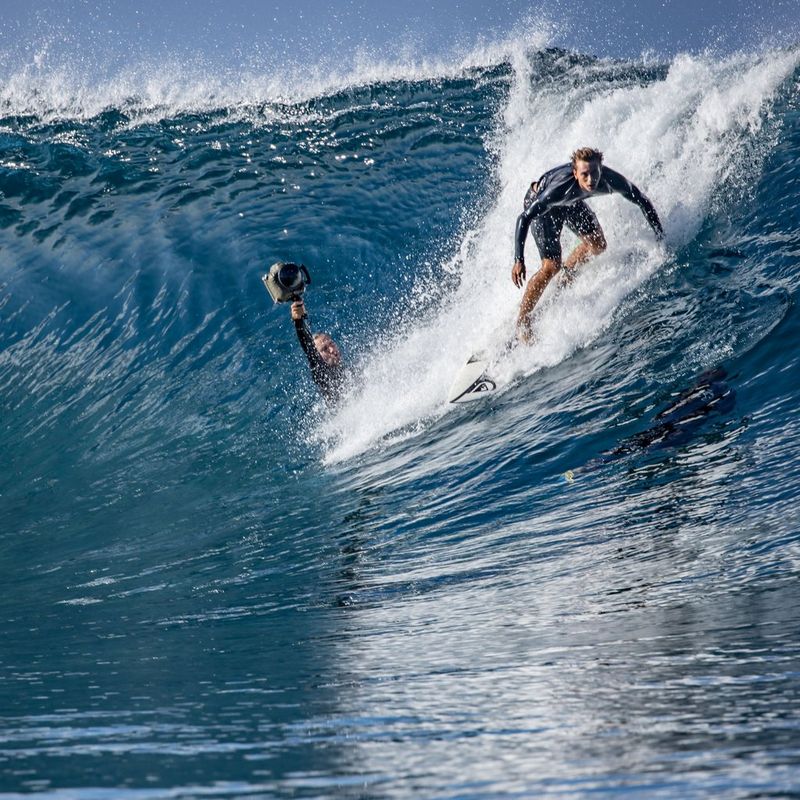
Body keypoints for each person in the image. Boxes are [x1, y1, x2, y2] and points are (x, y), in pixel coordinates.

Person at [512, 147, 664, 340]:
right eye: (585, 174)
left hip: (571, 202)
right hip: (545, 207)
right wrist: (519, 259)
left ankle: (566, 274)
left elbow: (641, 199)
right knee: (551, 266)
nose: (591, 180)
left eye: (595, 173)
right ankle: (523, 320)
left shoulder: (610, 180)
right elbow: (524, 218)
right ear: (575, 173)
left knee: (598, 244)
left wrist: (659, 234)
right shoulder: (556, 190)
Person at [290, 298, 347, 404]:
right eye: (324, 349)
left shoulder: (342, 367)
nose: (331, 349)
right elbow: (308, 348)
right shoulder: (321, 372)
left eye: (331, 344)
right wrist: (298, 321)